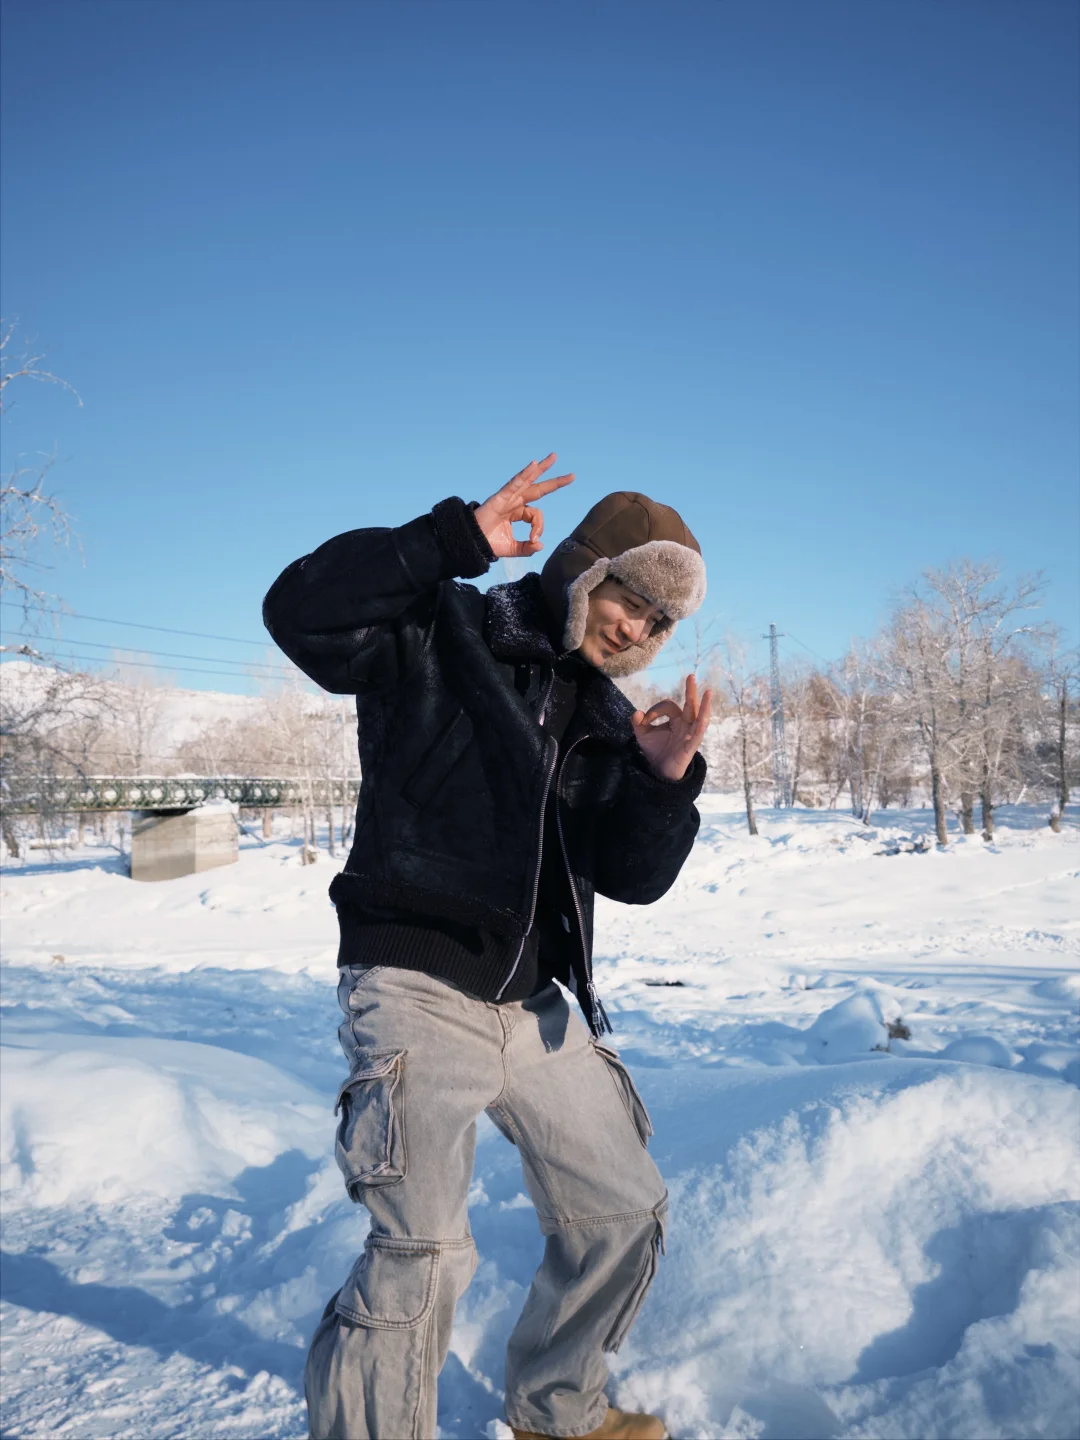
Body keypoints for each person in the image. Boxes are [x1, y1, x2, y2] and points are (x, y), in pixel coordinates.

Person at [263, 455, 712, 1440]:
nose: (635, 629)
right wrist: (450, 540)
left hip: (534, 1007)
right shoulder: (447, 630)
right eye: (628, 599)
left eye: (657, 620)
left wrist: (663, 782)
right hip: (418, 982)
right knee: (421, 1248)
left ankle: (557, 1410)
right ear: (584, 571)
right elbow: (301, 614)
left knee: (622, 1212)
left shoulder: (610, 719)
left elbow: (631, 878)